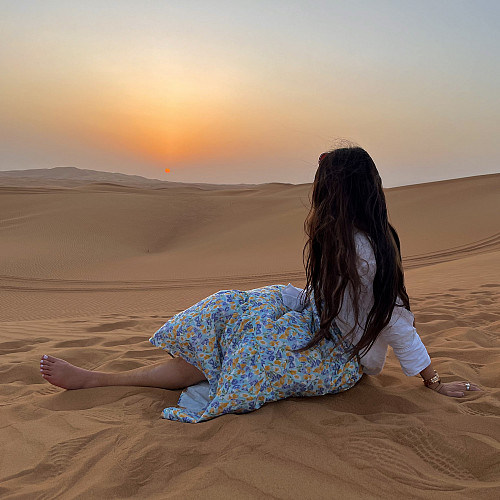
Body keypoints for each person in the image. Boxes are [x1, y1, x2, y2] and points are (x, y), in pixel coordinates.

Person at [39, 145, 480, 423]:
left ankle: (99, 381)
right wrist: (289, 301)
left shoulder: (368, 254)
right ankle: (162, 366)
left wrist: (433, 380)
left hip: (341, 356)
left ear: (339, 193)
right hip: (312, 318)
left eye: (323, 185)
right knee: (228, 307)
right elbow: (326, 297)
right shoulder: (337, 236)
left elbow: (395, 322)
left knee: (247, 348)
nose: (316, 192)